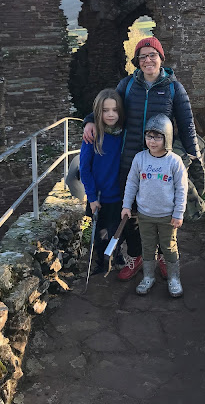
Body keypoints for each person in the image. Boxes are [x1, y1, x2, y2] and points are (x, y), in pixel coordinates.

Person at [83, 36, 202, 281]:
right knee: (133, 214)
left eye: (152, 55)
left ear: (161, 58)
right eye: (143, 56)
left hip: (160, 161)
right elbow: (108, 106)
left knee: (163, 210)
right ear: (137, 61)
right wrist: (88, 121)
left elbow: (187, 125)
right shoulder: (127, 85)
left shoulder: (173, 88)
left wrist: (196, 161)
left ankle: (164, 256)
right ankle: (138, 256)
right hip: (129, 161)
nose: (148, 60)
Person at [121, 114, 187, 297]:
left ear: (167, 137)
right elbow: (131, 183)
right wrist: (126, 205)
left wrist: (178, 213)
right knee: (148, 247)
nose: (152, 141)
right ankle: (148, 276)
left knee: (169, 247)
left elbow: (182, 189)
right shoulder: (139, 159)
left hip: (167, 216)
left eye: (158, 137)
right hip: (145, 214)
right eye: (149, 136)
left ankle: (174, 279)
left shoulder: (174, 161)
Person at [80, 89, 124, 274]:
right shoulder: (92, 137)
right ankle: (100, 262)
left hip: (119, 196)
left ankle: (117, 255)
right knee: (100, 232)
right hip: (98, 196)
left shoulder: (124, 134)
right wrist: (91, 196)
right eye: (106, 110)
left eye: (114, 110)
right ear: (99, 112)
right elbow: (84, 168)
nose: (111, 114)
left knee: (117, 232)